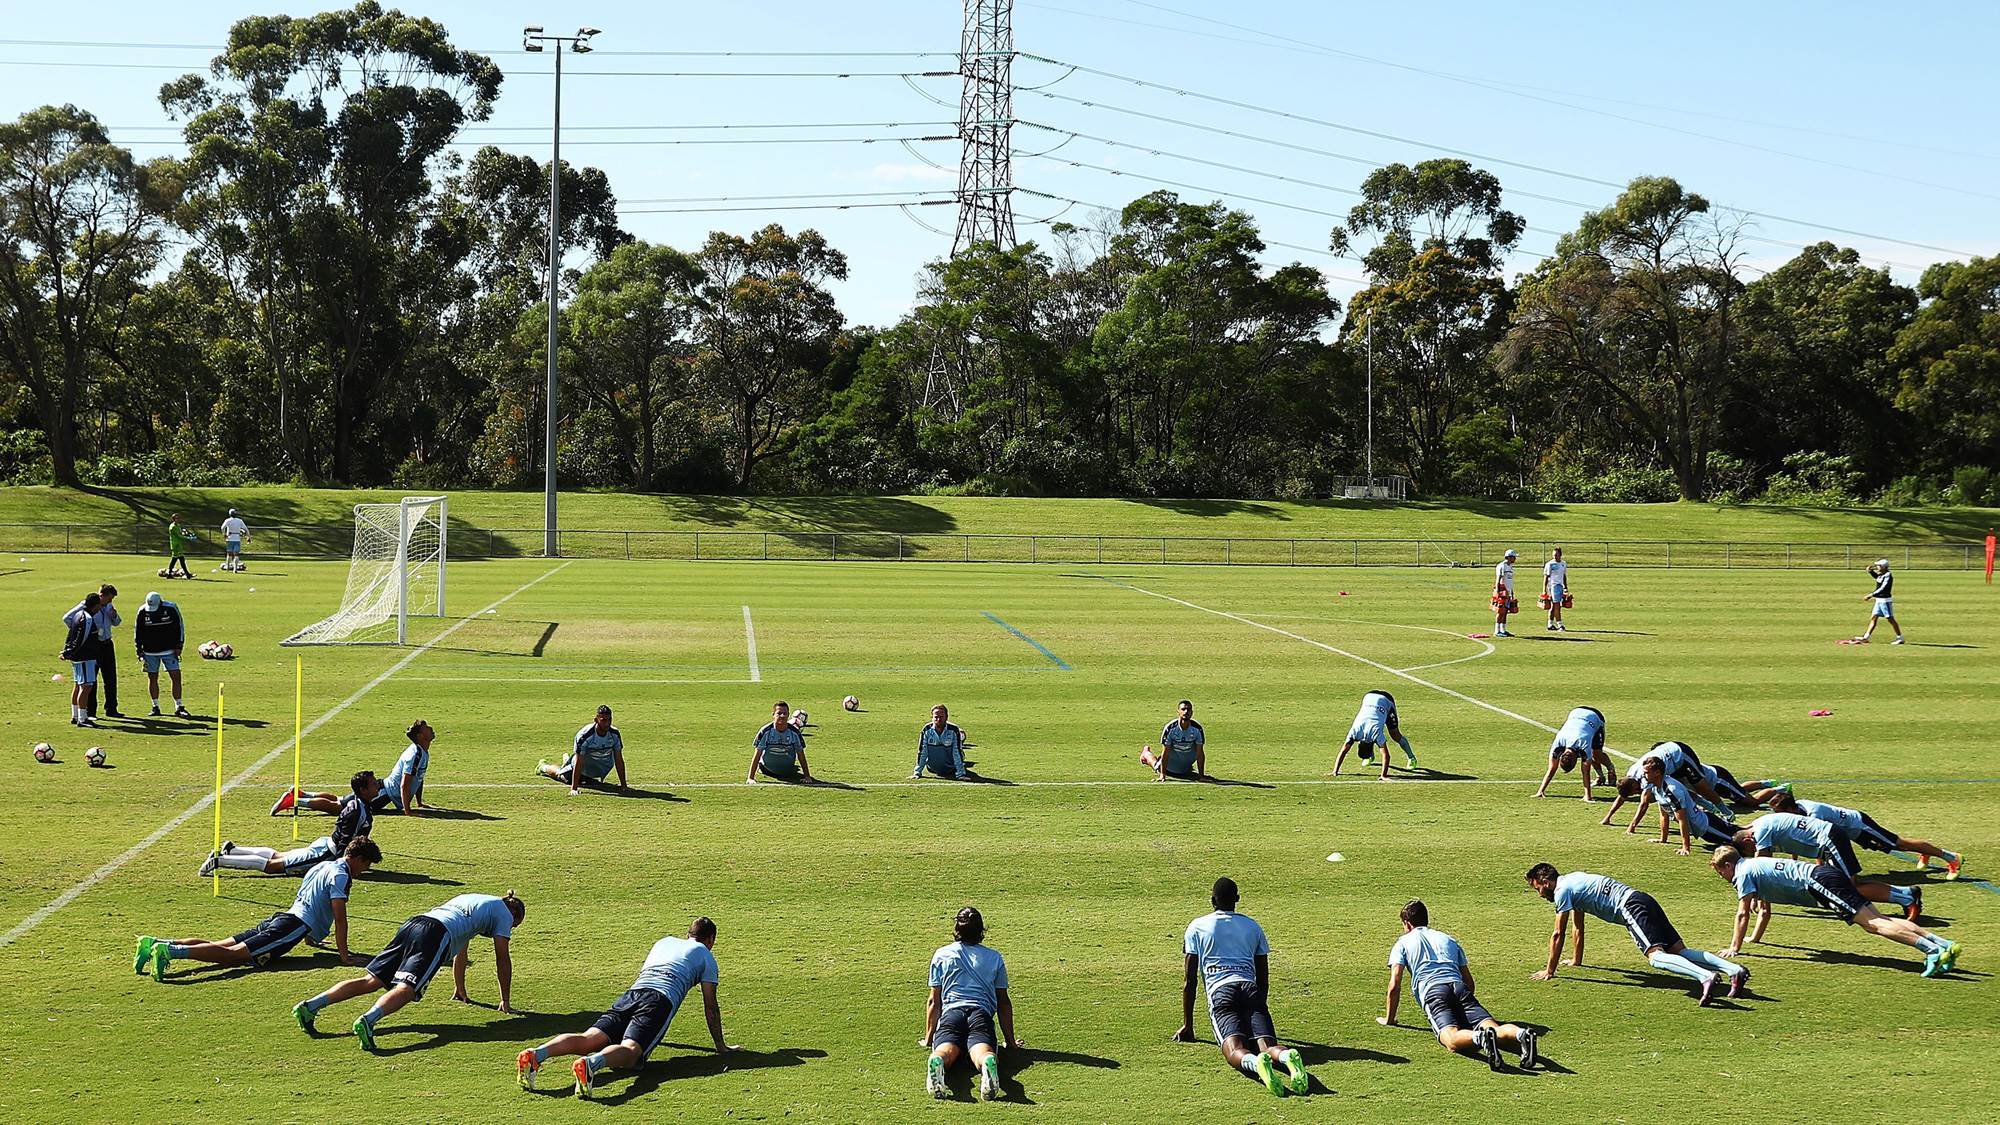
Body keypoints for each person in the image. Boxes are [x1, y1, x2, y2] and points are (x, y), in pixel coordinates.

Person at [518, 917, 738, 1098]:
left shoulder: (664, 942)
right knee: (632, 1053)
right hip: (659, 1000)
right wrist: (720, 1045)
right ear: (711, 939)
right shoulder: (706, 956)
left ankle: (537, 1053)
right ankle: (591, 1064)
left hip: (632, 994)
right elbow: (711, 1006)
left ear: (687, 933)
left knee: (589, 1038)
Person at [292, 891, 524, 1050]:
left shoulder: (476, 902)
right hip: (436, 934)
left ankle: (310, 1006)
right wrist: (505, 1000)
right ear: (513, 913)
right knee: (408, 989)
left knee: (371, 980)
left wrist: (460, 987)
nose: (510, 928)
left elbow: (461, 949)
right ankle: (368, 1021)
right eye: (515, 925)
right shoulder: (503, 914)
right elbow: (502, 958)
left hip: (415, 923)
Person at [139, 837, 380, 981]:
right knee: (233, 957)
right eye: (366, 864)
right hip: (291, 927)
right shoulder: (342, 876)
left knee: (223, 945)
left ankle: (156, 943)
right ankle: (171, 952)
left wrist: (312, 938)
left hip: (284, 917)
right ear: (357, 858)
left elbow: (309, 897)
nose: (365, 869)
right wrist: (344, 955)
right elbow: (340, 917)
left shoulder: (324, 866)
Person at [1710, 847, 1960, 978]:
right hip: (1825, 875)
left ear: (1728, 865)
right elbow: (1762, 909)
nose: (1721, 876)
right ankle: (1943, 944)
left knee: (1873, 924)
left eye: (1719, 871)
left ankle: (1933, 952)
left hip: (1820, 883)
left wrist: (1735, 947)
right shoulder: (1751, 865)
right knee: (1879, 919)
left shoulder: (1742, 874)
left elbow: (1742, 914)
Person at [1524, 862, 1747, 1004]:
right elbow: (1578, 926)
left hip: (1630, 907)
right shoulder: (1573, 879)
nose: (1540, 894)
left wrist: (1549, 971)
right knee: (1679, 951)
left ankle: (1705, 977)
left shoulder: (1562, 891)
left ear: (1545, 881)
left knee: (1656, 958)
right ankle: (1733, 969)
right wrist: (1576, 960)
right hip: (1644, 899)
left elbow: (1558, 934)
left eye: (1538, 888)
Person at [1175, 878, 1310, 1097]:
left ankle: (1256, 1065)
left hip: (1222, 991)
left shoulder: (1197, 926)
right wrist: (1258, 1007)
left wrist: (1188, 1025)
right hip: (1250, 989)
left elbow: (1190, 981)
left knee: (1234, 1049)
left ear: (1212, 900)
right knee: (1267, 1045)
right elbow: (1263, 977)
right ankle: (1286, 1056)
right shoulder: (1252, 926)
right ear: (1237, 899)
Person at [1378, 899, 1539, 1070]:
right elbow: (1468, 980)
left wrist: (1389, 1019)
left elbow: (1394, 984)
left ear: (1407, 923)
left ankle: (1480, 1038)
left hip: (1433, 992)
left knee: (1450, 1039)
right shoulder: (1448, 939)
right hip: (1459, 987)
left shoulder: (1402, 942)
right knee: (1493, 1027)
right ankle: (1521, 1033)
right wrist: (1463, 1009)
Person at [1730, 814, 1921, 919]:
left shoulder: (1760, 831)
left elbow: (1761, 862)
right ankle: (1905, 895)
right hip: (1827, 840)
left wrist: (1757, 897)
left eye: (1749, 848)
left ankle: (1906, 896)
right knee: (1849, 884)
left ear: (1748, 839)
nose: (1752, 850)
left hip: (1829, 840)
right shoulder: (1759, 823)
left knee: (1849, 886)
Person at [919, 906, 1019, 1100]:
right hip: (980, 1013)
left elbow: (934, 1000)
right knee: (982, 1049)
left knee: (947, 1048)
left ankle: (937, 1059)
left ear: (957, 928)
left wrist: (928, 1038)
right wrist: (1010, 1041)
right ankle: (987, 1063)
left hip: (951, 1013)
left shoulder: (941, 955)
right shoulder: (994, 957)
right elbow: (1003, 1002)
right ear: (981, 930)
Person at [204, 772, 382, 877]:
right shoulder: (358, 811)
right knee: (274, 866)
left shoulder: (359, 804)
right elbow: (346, 841)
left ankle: (233, 850)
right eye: (374, 784)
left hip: (325, 845)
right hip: (326, 853)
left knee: (278, 856)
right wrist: (341, 866)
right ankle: (220, 860)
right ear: (363, 790)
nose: (377, 787)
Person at [1763, 789, 1963, 880]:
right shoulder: (1798, 811)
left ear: (1791, 808)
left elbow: (1822, 841)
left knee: (1898, 844)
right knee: (1890, 846)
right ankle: (1925, 853)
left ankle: (1950, 857)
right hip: (1849, 833)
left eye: (1781, 813)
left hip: (1859, 825)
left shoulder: (1814, 813)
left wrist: (1820, 874)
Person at [274, 719, 435, 817]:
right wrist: (408, 811)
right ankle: (295, 801)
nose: (431, 729)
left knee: (340, 800)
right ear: (420, 736)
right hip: (383, 793)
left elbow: (418, 778)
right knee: (339, 808)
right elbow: (405, 784)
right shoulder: (416, 755)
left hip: (382, 788)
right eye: (427, 728)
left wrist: (419, 803)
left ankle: (303, 794)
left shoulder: (422, 752)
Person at [1636, 755, 1744, 856]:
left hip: (1708, 827)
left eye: (1646, 772)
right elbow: (1664, 815)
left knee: (1739, 841)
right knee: (1740, 835)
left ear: (1657, 773)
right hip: (1702, 830)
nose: (1643, 775)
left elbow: (1683, 819)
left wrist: (1685, 847)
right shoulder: (1655, 788)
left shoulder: (1672, 790)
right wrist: (1663, 839)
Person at [539, 705, 629, 794]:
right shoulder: (585, 736)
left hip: (597, 768)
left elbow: (619, 760)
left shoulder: (614, 734)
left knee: (587, 780)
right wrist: (574, 788)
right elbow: (579, 761)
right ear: (596, 720)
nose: (607, 724)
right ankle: (543, 767)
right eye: (603, 720)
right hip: (582, 766)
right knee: (563, 776)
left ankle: (567, 761)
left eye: (609, 720)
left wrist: (624, 786)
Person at [1533, 705, 1615, 800]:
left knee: (1596, 754)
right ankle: (1600, 777)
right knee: (1589, 755)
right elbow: (1551, 769)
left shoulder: (1583, 743)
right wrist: (1540, 791)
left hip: (1595, 717)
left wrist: (1587, 796)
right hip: (1576, 713)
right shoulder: (1557, 745)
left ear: (1576, 760)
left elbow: (1586, 771)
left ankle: (1610, 769)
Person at [1333, 689, 1416, 778]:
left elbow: (1386, 756)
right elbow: (1343, 751)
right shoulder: (1354, 732)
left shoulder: (1375, 734)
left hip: (1386, 700)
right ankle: (1369, 757)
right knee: (1390, 735)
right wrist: (1335, 771)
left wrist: (1383, 776)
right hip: (1368, 696)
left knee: (1395, 735)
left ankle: (1411, 758)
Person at [133, 590, 191, 718]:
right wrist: (138, 648)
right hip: (149, 652)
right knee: (152, 678)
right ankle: (155, 706)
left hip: (169, 651)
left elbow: (179, 626)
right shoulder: (142, 611)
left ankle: (179, 706)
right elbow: (138, 630)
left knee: (176, 677)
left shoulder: (171, 608)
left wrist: (179, 645)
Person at [60, 591, 102, 728]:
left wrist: (67, 651)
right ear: (95, 605)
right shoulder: (88, 619)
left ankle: (75, 715)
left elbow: (70, 635)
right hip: (85, 657)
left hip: (79, 657)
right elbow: (80, 639)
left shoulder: (78, 615)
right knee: (86, 686)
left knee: (78, 685)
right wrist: (68, 652)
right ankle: (82, 719)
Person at [748, 700, 813, 783]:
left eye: (785, 713)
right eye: (779, 713)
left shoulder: (795, 733)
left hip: (788, 772)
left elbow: (801, 755)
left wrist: (807, 776)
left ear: (788, 715)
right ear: (773, 715)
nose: (782, 716)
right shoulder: (765, 731)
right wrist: (751, 778)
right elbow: (757, 754)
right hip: (767, 770)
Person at [1140, 699, 1206, 780]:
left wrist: (1201, 776)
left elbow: (1200, 753)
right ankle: (1146, 754)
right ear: (1178, 712)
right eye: (1183, 709)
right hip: (1170, 765)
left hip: (1186, 765)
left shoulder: (1197, 729)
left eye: (1188, 709)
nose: (1186, 711)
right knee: (1156, 765)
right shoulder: (1170, 728)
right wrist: (1162, 775)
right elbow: (1166, 752)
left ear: (1192, 712)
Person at [83, 583, 123, 718]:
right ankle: (90, 711)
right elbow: (69, 618)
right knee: (91, 679)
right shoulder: (89, 606)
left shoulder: (109, 606)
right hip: (94, 646)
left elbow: (117, 623)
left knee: (110, 678)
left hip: (107, 644)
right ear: (102, 596)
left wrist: (114, 615)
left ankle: (111, 708)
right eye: (109, 599)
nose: (111, 602)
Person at [1853, 559, 1904, 644]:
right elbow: (1878, 579)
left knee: (1890, 619)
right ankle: (1866, 637)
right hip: (1879, 600)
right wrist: (1871, 572)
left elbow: (1883, 588)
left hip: (1885, 601)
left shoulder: (1888, 575)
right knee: (1874, 617)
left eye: (1878, 566)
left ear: (1884, 567)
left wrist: (1871, 595)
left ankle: (1900, 637)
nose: (1877, 567)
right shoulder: (1882, 574)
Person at [912, 704, 969, 780]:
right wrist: (917, 773)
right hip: (932, 769)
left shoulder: (953, 730)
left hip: (951, 769)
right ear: (932, 717)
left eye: (941, 717)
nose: (938, 720)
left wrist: (960, 774)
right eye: (936, 717)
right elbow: (922, 752)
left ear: (946, 717)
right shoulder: (926, 730)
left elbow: (956, 752)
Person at [1492, 548, 1519, 637]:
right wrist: (1497, 591)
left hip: (1508, 592)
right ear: (1509, 557)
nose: (1515, 559)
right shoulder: (1502, 566)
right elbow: (1499, 579)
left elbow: (1509, 580)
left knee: (1506, 611)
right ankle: (1497, 630)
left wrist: (1511, 592)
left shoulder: (1510, 567)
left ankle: (1503, 629)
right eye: (1514, 557)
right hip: (1503, 592)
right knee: (1501, 611)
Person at [1541, 547, 1569, 632]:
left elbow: (1564, 576)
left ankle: (1550, 623)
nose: (1555, 557)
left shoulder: (1563, 563)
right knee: (1557, 605)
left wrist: (1565, 587)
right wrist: (1544, 589)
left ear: (1560, 555)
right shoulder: (1550, 564)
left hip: (1560, 586)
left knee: (1553, 606)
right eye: (1553, 555)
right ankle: (1560, 624)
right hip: (1553, 586)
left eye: (1556, 555)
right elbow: (1546, 576)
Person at [165, 513, 196, 578]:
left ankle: (171, 574)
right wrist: (188, 538)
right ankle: (186, 574)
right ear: (173, 519)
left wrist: (187, 534)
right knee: (177, 559)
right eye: (177, 518)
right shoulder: (172, 527)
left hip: (179, 545)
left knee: (178, 559)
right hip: (175, 545)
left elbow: (180, 533)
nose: (178, 519)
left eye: (179, 518)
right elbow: (178, 536)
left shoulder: (178, 525)